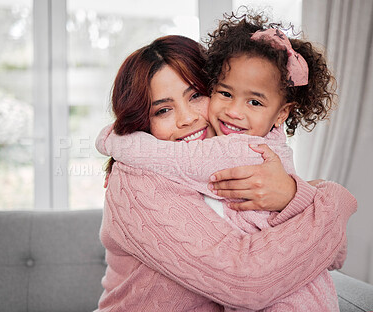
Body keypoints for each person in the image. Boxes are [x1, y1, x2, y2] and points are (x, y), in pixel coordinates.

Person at [101, 13, 344, 311]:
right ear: (141, 120)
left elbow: (334, 253)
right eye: (163, 110)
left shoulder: (246, 156)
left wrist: (295, 195)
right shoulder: (137, 181)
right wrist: (333, 200)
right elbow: (247, 284)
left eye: (196, 95)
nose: (187, 118)